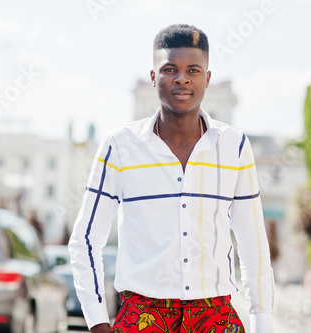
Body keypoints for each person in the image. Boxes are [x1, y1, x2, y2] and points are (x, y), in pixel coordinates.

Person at [68, 24, 274, 333]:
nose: (181, 78)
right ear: (153, 77)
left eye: (193, 69)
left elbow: (252, 241)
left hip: (214, 317)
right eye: (169, 69)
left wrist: (262, 323)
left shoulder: (234, 146)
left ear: (207, 78)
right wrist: (97, 321)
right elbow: (85, 239)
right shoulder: (119, 146)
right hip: (143, 316)